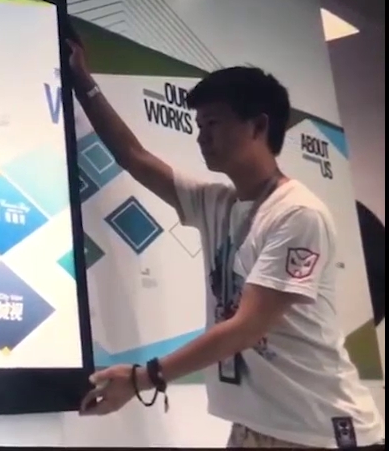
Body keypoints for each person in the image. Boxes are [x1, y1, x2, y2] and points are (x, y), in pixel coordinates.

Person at [68, 40, 385, 448]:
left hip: (318, 430)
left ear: (258, 126)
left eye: (213, 124)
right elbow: (134, 156)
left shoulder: (297, 213)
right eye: (199, 126)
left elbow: (247, 327)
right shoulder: (216, 203)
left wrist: (141, 378)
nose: (202, 137)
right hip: (254, 426)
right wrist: (83, 82)